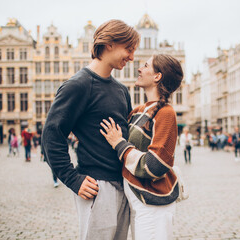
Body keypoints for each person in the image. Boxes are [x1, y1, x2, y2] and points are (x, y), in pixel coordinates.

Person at [42, 19, 139, 240]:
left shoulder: (122, 90)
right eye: (129, 49)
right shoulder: (78, 85)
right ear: (110, 43)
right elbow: (51, 136)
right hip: (97, 187)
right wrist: (73, 179)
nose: (132, 57)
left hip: (123, 185)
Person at [100, 53, 183, 240]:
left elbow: (156, 165)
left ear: (157, 76)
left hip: (153, 202)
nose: (139, 68)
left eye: (145, 66)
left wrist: (119, 144)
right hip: (137, 200)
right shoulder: (139, 110)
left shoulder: (166, 113)